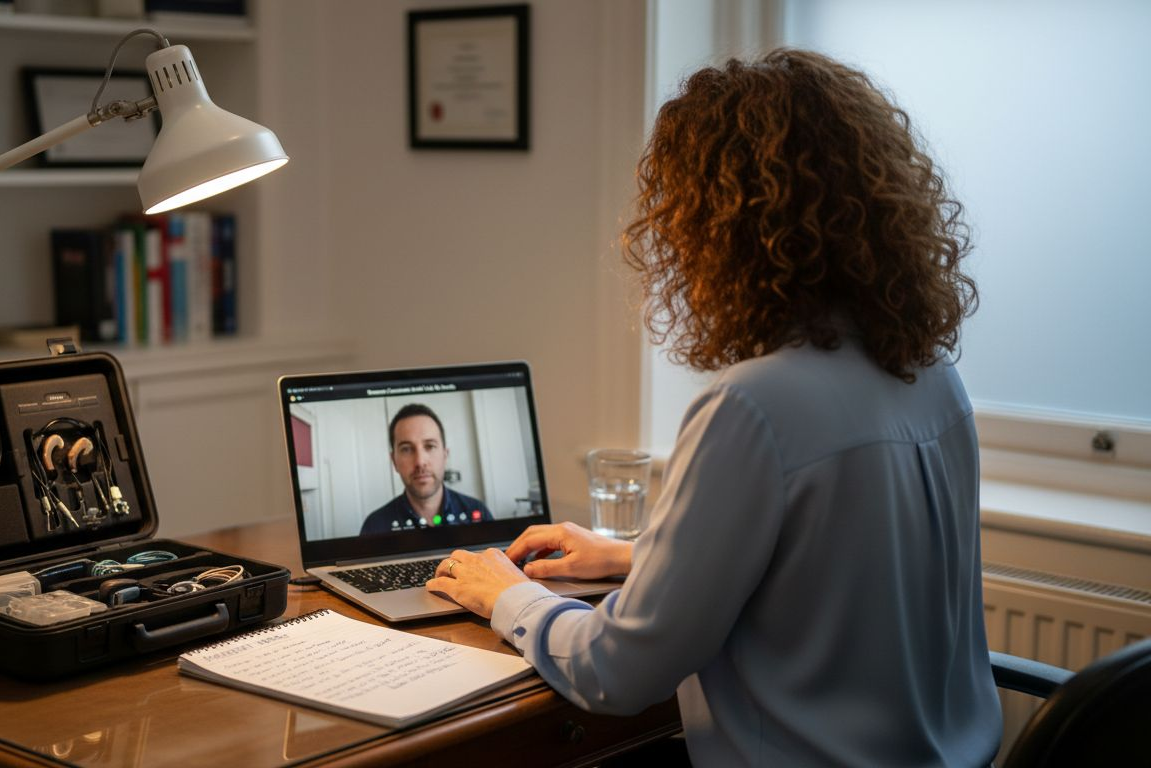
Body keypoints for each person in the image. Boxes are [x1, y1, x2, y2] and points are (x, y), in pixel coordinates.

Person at [426, 49, 1003, 766]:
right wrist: (634, 557)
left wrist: (507, 595)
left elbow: (618, 671)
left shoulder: (752, 405)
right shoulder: (932, 376)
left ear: (721, 223)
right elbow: (832, 574)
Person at [360, 403, 493, 535]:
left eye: (430, 446)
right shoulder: (375, 526)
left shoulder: (478, 513)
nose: (420, 461)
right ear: (394, 461)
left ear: (445, 455)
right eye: (406, 449)